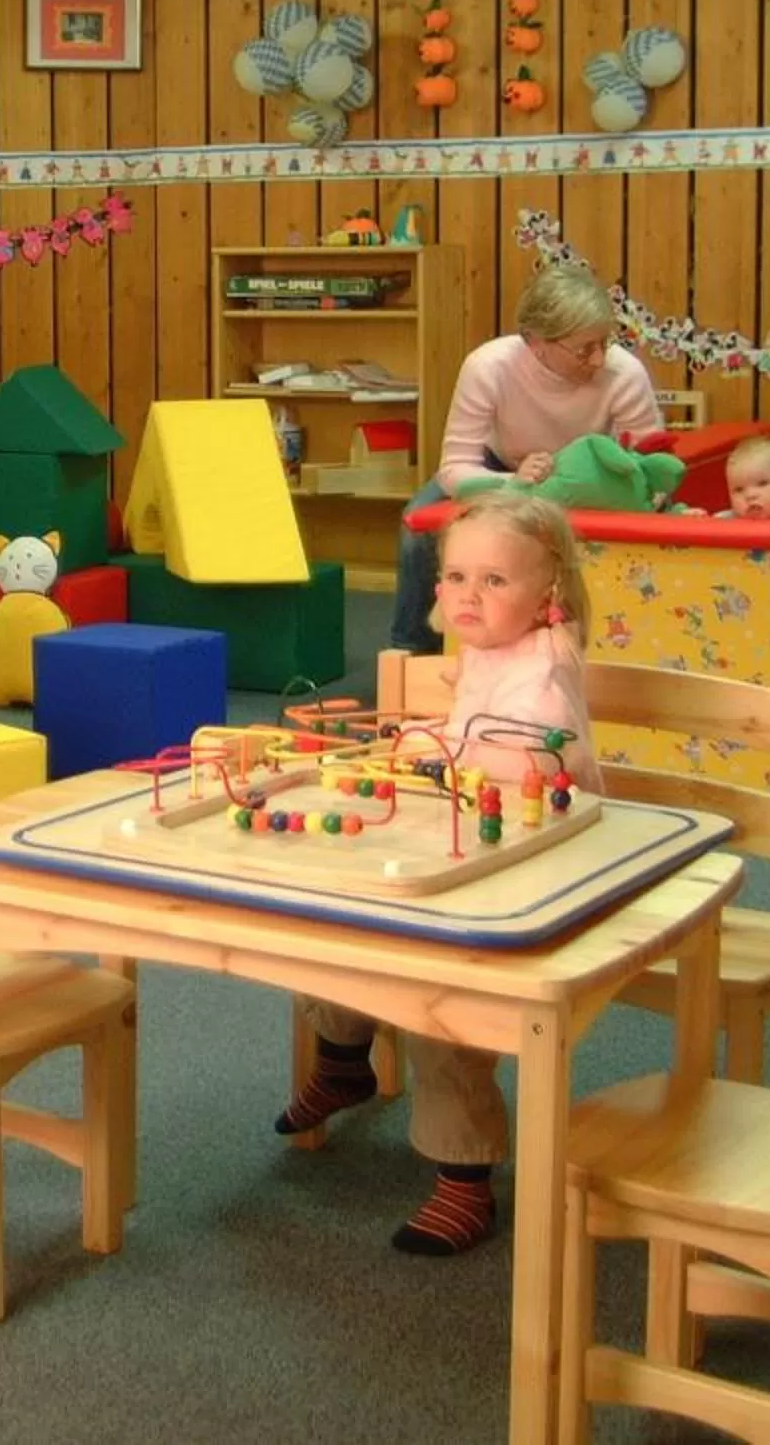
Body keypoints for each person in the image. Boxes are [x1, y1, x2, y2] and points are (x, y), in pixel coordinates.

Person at [280, 492, 601, 1255]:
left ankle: (464, 1177)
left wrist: (443, 752)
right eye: (455, 577)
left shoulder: (547, 665)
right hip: (476, 836)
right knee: (328, 908)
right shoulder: (493, 650)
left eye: (493, 581)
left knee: (440, 993)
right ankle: (343, 1057)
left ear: (547, 592)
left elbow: (534, 759)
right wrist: (428, 733)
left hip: (544, 859)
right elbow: (474, 733)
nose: (466, 596)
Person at [395, 261, 660, 652]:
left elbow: (649, 467)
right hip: (500, 470)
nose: (599, 359)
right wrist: (514, 483)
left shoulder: (626, 374)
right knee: (418, 528)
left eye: (605, 343)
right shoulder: (489, 366)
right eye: (584, 349)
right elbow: (454, 466)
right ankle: (413, 651)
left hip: (591, 482)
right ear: (536, 343)